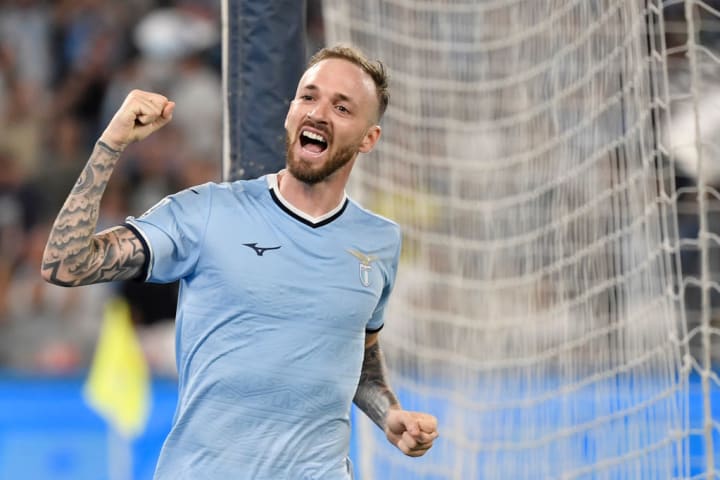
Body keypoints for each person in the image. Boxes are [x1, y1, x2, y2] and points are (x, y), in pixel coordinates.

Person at [41, 44, 439, 479]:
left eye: (342, 107)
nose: (319, 112)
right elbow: (66, 263)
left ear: (369, 138)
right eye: (309, 96)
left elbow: (357, 349)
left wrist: (389, 413)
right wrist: (111, 143)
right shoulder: (207, 211)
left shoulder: (380, 240)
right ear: (290, 112)